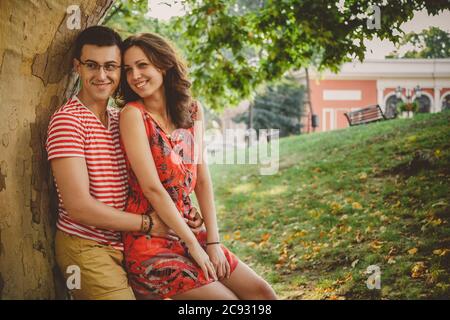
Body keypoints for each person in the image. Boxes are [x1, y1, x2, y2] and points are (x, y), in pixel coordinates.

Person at [45, 26, 203, 300]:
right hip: (88, 245)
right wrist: (147, 223)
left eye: (111, 66)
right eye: (92, 65)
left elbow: (158, 178)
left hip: (131, 243)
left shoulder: (122, 118)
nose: (102, 75)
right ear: (77, 67)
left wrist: (183, 212)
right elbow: (79, 207)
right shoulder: (68, 121)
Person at [119, 33, 277, 300]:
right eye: (128, 69)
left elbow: (202, 179)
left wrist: (212, 242)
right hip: (152, 243)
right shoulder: (133, 115)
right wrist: (194, 246)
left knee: (262, 294)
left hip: (192, 233)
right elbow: (152, 188)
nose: (135, 75)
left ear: (164, 64)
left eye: (142, 65)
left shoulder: (192, 111)